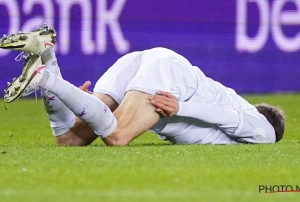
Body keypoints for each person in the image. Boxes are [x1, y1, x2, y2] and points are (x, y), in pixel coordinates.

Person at [0, 25, 285, 146]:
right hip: (172, 78)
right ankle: (45, 78)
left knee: (71, 139)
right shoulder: (265, 132)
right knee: (118, 136)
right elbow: (227, 118)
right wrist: (180, 106)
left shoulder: (231, 113)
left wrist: (86, 104)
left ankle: (47, 56)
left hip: (148, 62)